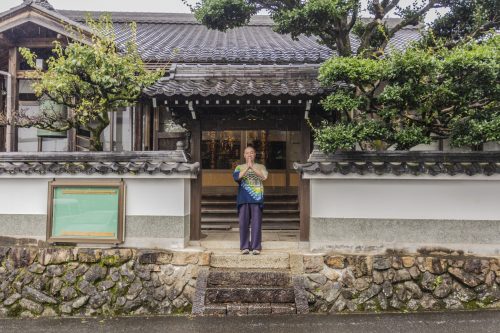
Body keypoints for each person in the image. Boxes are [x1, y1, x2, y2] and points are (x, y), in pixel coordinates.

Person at [232, 146, 268, 255]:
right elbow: (236, 178)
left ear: (255, 154)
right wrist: (247, 168)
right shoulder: (239, 167)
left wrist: (252, 167)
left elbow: (264, 177)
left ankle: (256, 247)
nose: (249, 155)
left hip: (257, 198)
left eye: (251, 153)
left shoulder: (261, 166)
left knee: (256, 223)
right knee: (243, 224)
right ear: (244, 155)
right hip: (243, 198)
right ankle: (244, 247)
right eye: (247, 153)